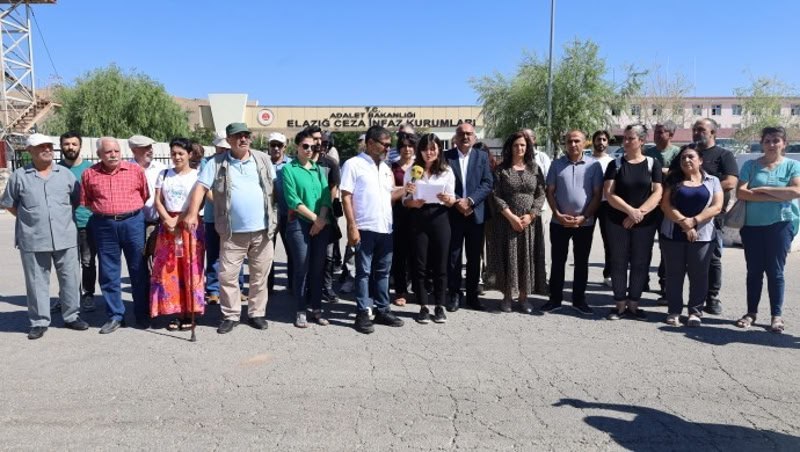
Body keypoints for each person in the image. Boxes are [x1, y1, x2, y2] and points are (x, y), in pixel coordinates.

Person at [185, 122, 277, 334]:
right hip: (231, 232)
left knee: (259, 275)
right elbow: (200, 187)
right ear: (228, 140)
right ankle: (231, 315)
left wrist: (277, 216)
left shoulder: (262, 159)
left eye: (246, 135)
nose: (243, 139)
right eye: (237, 136)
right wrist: (192, 213)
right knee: (227, 276)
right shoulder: (216, 163)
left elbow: (274, 188)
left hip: (262, 230)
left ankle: (256, 313)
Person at [1, 133, 89, 339]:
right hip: (33, 238)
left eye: (49, 146)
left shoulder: (65, 175)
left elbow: (76, 200)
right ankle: (39, 321)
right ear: (30, 151)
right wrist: (30, 219)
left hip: (65, 236)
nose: (47, 149)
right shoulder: (19, 176)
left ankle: (71, 316)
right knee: (36, 281)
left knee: (70, 278)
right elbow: (9, 204)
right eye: (41, 147)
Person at [734, 126, 800, 334]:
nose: (772, 144)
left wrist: (762, 190)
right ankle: (751, 313)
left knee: (775, 271)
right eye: (767, 141)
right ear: (762, 143)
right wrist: (779, 195)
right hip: (751, 226)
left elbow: (796, 191)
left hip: (780, 225)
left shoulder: (792, 166)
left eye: (776, 140)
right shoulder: (751, 166)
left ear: (784, 144)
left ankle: (776, 316)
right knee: (754, 271)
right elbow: (741, 193)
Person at [81, 137, 150, 333]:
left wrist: (125, 211)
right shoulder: (89, 174)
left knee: (138, 268)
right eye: (108, 152)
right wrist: (107, 211)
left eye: (116, 151)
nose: (113, 155)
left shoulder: (135, 170)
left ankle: (142, 313)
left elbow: (144, 194)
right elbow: (86, 201)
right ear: (99, 154)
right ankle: (115, 316)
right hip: (104, 225)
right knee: (109, 271)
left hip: (133, 222)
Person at [341, 125, 406, 334]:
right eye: (384, 144)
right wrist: (352, 226)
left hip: (385, 227)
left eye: (389, 145)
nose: (388, 148)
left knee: (383, 272)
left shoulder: (386, 168)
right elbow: (346, 196)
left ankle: (382, 309)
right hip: (364, 227)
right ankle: (362, 312)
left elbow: (389, 196)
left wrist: (407, 189)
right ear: (370, 143)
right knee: (363, 272)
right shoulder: (353, 164)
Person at [603, 124, 663, 321]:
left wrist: (639, 213)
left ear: (642, 141)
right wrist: (630, 211)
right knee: (618, 262)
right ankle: (620, 305)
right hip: (617, 222)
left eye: (631, 138)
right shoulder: (615, 164)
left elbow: (658, 192)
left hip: (645, 223)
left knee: (640, 262)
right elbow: (609, 193)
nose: (626, 142)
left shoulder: (653, 164)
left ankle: (634, 305)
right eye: (625, 138)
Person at [660, 145, 723, 327]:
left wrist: (694, 221)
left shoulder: (713, 181)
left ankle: (695, 312)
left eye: (690, 157)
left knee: (699, 275)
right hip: (672, 234)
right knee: (674, 274)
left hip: (703, 236)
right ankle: (674, 311)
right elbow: (665, 205)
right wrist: (684, 223)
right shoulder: (673, 180)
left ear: (700, 160)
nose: (686, 160)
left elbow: (717, 206)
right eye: (683, 158)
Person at [542, 130, 602, 315]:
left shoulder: (594, 165)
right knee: (557, 262)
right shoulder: (556, 164)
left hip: (584, 223)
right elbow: (550, 191)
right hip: (559, 223)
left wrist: (584, 217)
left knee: (581, 262)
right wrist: (558, 214)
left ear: (585, 143)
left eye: (577, 141)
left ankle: (579, 300)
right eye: (569, 141)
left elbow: (597, 194)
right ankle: (555, 299)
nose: (573, 144)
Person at [484, 131, 545, 313]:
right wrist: (511, 217)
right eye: (516, 145)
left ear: (528, 147)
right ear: (510, 147)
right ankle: (507, 296)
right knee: (508, 258)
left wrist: (531, 215)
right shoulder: (501, 170)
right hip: (506, 222)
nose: (519, 148)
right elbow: (495, 195)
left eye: (523, 145)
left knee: (527, 258)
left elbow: (541, 194)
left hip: (529, 223)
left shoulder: (534, 169)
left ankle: (524, 297)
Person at [149, 138, 205, 331]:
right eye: (173, 153)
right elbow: (158, 201)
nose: (177, 157)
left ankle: (190, 312)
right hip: (168, 227)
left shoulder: (198, 176)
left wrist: (178, 220)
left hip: (189, 224)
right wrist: (167, 219)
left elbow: (197, 202)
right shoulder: (164, 174)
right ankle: (175, 311)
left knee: (190, 268)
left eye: (181, 153)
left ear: (189, 154)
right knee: (169, 270)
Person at [403, 133, 456, 323]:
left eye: (432, 148)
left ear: (439, 149)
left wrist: (447, 199)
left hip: (440, 216)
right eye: (425, 149)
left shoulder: (446, 171)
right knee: (420, 263)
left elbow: (452, 199)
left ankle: (440, 305)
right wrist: (412, 201)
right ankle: (423, 306)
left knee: (441, 263)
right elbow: (405, 200)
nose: (429, 152)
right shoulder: (412, 170)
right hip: (418, 216)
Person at [688, 118, 738, 315]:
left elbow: (731, 182)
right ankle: (672, 294)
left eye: (701, 129)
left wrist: (702, 189)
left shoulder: (724, 155)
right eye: (694, 129)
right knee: (679, 258)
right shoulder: (688, 153)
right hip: (685, 215)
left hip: (712, 216)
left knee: (712, 258)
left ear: (713, 133)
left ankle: (712, 297)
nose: (696, 133)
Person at [282, 131, 332, 328]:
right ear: (297, 147)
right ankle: (301, 310)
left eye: (313, 147)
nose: (309, 150)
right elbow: (292, 199)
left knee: (318, 268)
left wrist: (321, 219)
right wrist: (315, 219)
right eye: (305, 146)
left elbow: (326, 197)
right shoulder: (289, 169)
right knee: (302, 268)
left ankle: (317, 308)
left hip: (321, 223)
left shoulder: (318, 169)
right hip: (299, 223)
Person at [445, 123, 493, 312]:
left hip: (475, 214)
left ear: (474, 137)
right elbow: (442, 182)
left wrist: (470, 201)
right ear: (455, 137)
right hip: (453, 213)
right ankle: (454, 294)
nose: (465, 137)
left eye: (469, 133)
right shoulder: (446, 157)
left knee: (474, 258)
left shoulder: (482, 156)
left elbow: (487, 183)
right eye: (461, 133)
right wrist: (459, 202)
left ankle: (472, 296)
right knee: (454, 256)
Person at [202, 135, 246, 304]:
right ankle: (213, 290)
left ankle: (238, 288)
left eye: (226, 148)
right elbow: (205, 189)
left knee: (236, 254)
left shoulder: (235, 162)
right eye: (221, 148)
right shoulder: (208, 163)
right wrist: (222, 204)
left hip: (233, 218)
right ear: (216, 147)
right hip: (213, 216)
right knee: (214, 254)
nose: (224, 151)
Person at [58, 131, 97, 312]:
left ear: (80, 146)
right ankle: (66, 297)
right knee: (66, 264)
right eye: (67, 144)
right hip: (63, 225)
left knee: (87, 262)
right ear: (61, 146)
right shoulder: (56, 169)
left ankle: (88, 295)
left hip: (87, 224)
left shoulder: (91, 169)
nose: (70, 147)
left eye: (74, 144)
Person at [644, 121, 680, 301]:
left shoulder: (678, 153)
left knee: (666, 247)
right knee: (644, 245)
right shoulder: (648, 153)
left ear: (671, 134)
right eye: (656, 132)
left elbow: (681, 174)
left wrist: (663, 171)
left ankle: (665, 285)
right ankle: (641, 280)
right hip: (650, 205)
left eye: (661, 132)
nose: (657, 135)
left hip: (670, 206)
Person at [307, 125, 341, 303]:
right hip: (305, 215)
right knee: (307, 255)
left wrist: (324, 212)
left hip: (327, 216)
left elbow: (333, 189)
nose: (321, 145)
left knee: (328, 255)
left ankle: (327, 287)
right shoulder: (302, 162)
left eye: (325, 142)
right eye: (316, 140)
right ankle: (307, 288)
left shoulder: (330, 163)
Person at [521, 128, 550, 295]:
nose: (525, 141)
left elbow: (545, 185)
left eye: (528, 138)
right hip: (516, 212)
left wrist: (534, 210)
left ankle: (541, 278)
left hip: (538, 210)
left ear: (534, 139)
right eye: (522, 137)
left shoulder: (542, 157)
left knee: (537, 245)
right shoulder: (513, 159)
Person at [390, 131, 416, 306]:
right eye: (404, 146)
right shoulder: (392, 167)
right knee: (399, 254)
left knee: (418, 254)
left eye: (410, 146)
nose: (407, 149)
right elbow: (390, 192)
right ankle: (400, 290)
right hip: (398, 214)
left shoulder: (420, 166)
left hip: (418, 213)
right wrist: (404, 189)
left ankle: (419, 287)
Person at [267, 132, 293, 294]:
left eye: (279, 145)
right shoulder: (263, 163)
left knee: (292, 251)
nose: (276, 148)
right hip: (268, 215)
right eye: (273, 145)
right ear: (269, 146)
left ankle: (293, 286)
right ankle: (267, 287)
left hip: (288, 214)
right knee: (267, 252)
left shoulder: (291, 164)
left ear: (285, 147)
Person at [591, 130, 614, 287]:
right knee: (584, 240)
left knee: (609, 241)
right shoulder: (587, 161)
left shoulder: (612, 162)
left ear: (608, 142)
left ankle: (609, 274)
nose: (601, 142)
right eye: (598, 139)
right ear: (593, 141)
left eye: (604, 139)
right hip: (590, 204)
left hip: (607, 205)